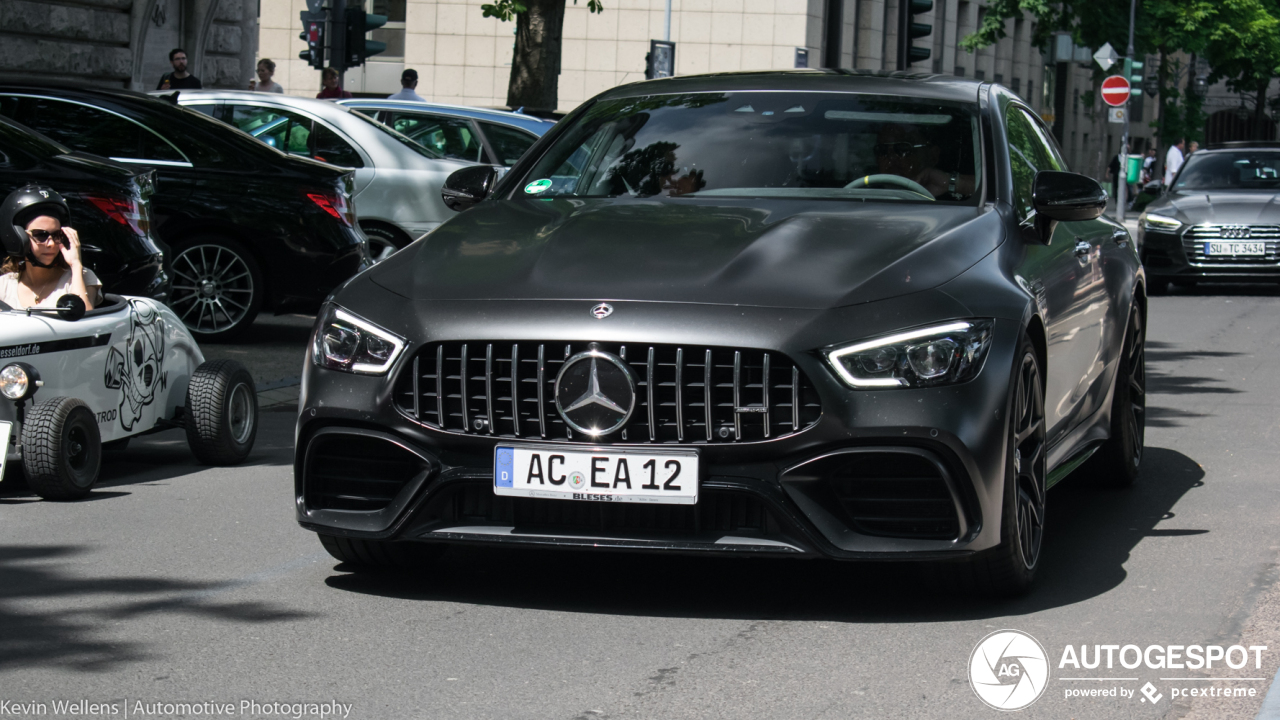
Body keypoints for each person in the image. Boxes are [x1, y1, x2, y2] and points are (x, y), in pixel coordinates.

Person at [0, 185, 100, 310]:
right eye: (40, 235)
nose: (51, 244)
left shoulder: (79, 277)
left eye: (57, 235)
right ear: (18, 237)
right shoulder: (4, 285)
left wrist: (76, 265)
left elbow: (84, 322)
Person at [872, 122, 976, 199]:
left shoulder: (955, 203)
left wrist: (952, 183)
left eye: (903, 149)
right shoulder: (860, 195)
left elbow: (989, 193)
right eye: (882, 150)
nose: (892, 157)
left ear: (932, 156)